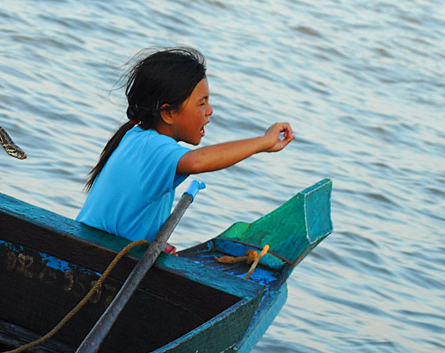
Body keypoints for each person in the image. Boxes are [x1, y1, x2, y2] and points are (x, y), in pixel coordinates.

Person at [76, 47, 295, 250]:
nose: (209, 111)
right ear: (168, 113)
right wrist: (263, 142)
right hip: (100, 258)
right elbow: (197, 161)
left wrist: (152, 244)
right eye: (202, 103)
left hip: (91, 248)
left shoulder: (135, 135)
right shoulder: (155, 147)